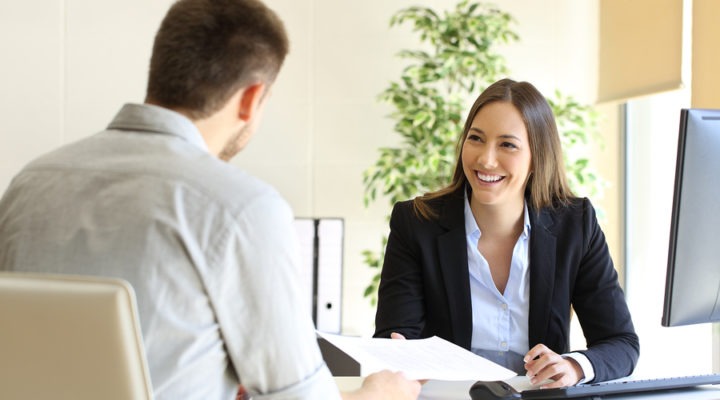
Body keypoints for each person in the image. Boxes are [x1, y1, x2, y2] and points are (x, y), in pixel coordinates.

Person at [0, 0, 421, 399]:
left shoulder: (30, 182)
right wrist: (379, 392)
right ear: (252, 99)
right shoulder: (240, 207)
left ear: (160, 70)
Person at [373, 78, 639, 388]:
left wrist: (574, 366)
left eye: (507, 144)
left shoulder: (575, 225)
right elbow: (395, 337)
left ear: (537, 157)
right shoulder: (416, 223)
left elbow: (621, 342)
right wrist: (399, 356)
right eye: (476, 138)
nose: (486, 159)